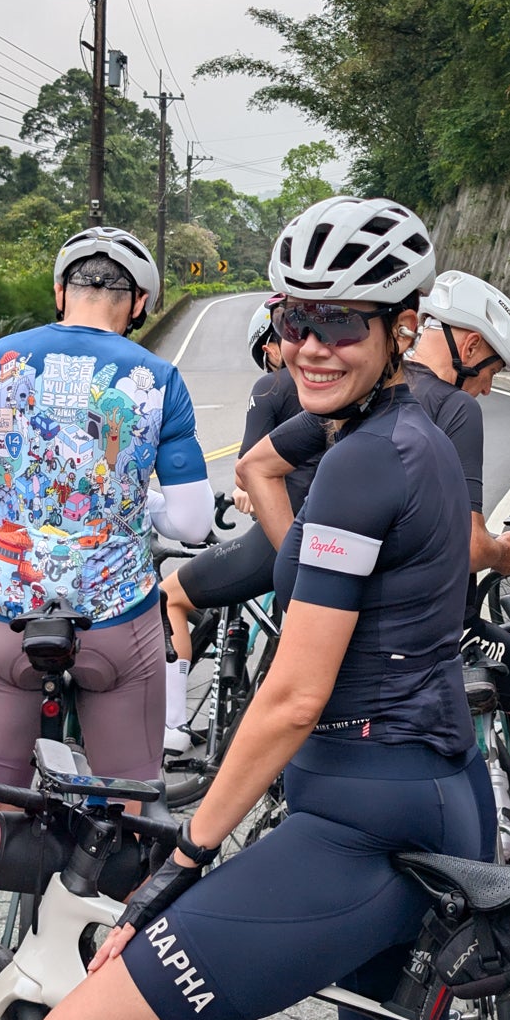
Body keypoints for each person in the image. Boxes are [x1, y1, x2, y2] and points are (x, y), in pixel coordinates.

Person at [28, 196, 488, 1020]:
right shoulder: (393, 430)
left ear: (402, 326)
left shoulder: (368, 459)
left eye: (343, 322)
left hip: (364, 820)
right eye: (293, 320)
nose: (309, 346)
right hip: (442, 793)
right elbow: (267, 478)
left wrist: (185, 860)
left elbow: (291, 695)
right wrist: (296, 555)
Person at [0, 226, 212, 1020]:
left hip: (9, 620)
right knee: (130, 819)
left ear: (62, 292)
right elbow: (192, 521)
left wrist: (31, 516)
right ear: (136, 304)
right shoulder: (157, 377)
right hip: (116, 624)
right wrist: (126, 512)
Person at [236, 270, 510, 878]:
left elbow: (255, 468)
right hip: (418, 643)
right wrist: (507, 555)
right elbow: (471, 547)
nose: (486, 391)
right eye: (492, 376)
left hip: (327, 630)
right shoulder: (451, 411)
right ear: (469, 348)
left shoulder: (354, 397)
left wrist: (301, 555)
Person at [156, 295, 302, 754]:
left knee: (169, 597)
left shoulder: (272, 387)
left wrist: (246, 491)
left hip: (279, 538)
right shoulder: (346, 392)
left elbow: (247, 467)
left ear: (272, 348)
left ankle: (173, 730)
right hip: (328, 536)